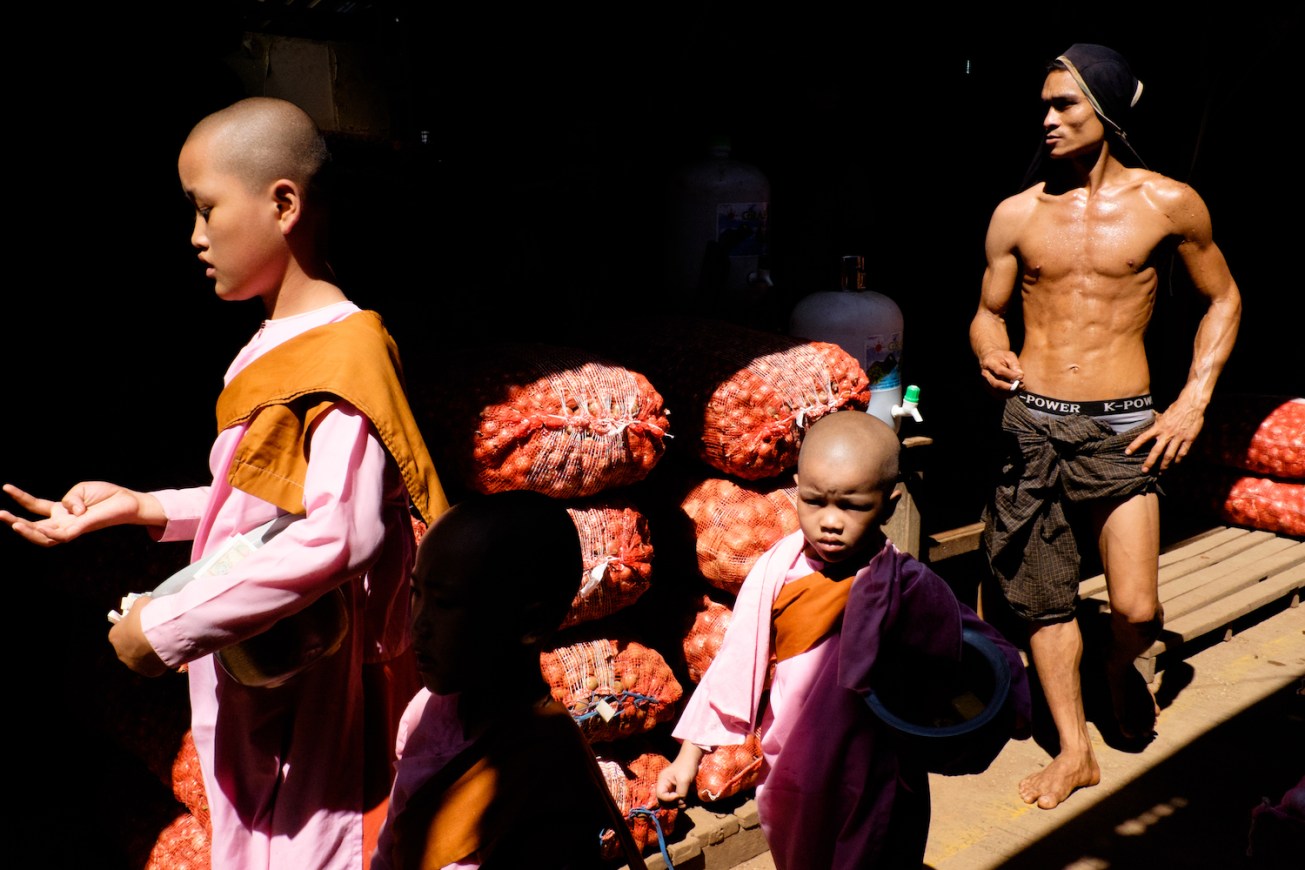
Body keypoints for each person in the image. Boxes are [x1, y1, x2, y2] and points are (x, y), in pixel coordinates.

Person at [1, 97, 448, 868]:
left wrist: (165, 627)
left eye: (206, 209)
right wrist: (144, 507)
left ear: (282, 204)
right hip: (267, 672)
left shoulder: (344, 358)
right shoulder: (276, 344)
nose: (196, 237)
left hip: (322, 687)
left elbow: (341, 532)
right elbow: (275, 502)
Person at [970, 43, 1242, 810]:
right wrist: (989, 346)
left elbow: (1222, 298)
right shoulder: (1016, 213)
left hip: (1123, 428)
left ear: (1109, 111)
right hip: (1032, 425)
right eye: (1044, 107)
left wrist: (1192, 400)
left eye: (1066, 105)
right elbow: (987, 312)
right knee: (1044, 599)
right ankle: (1073, 749)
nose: (1047, 120)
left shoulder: (1167, 203)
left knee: (1135, 609)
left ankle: (1116, 665)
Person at [655, 411, 1030, 869]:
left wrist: (1008, 708)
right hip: (795, 769)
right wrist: (687, 758)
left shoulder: (910, 585)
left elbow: (971, 654)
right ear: (796, 489)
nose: (830, 522)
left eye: (852, 506)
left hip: (879, 773)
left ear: (889, 505)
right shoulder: (779, 567)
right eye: (814, 502)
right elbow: (736, 666)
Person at [370, 490, 639, 870]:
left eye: (445, 604)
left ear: (531, 624)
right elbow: (392, 846)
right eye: (416, 594)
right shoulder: (425, 712)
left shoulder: (548, 781)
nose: (419, 624)